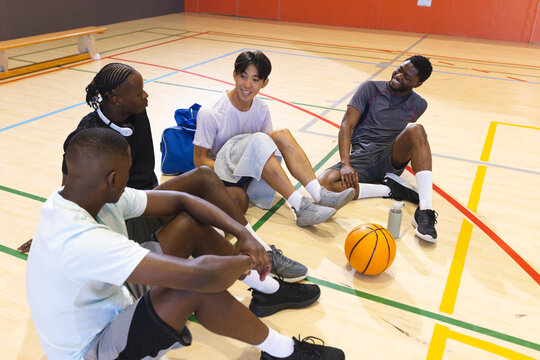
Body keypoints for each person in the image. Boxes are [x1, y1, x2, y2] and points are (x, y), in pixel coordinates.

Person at [26, 128, 346, 360]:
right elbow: (199, 276)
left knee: (187, 227)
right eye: (125, 174)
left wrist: (244, 233)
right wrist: (247, 260)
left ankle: (268, 292)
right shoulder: (78, 240)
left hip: (113, 294)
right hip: (91, 350)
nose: (130, 180)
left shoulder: (79, 197)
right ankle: (283, 352)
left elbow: (181, 197)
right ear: (112, 179)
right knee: (191, 286)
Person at [17, 62, 307, 282]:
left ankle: (245, 247)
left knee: (235, 199)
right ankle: (258, 257)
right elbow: (68, 192)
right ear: (116, 100)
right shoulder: (86, 138)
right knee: (201, 197)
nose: (146, 95)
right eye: (138, 91)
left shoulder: (136, 111)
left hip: (149, 198)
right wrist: (47, 233)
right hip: (123, 215)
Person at [193, 50, 356, 227]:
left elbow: (266, 147)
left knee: (280, 134)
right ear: (234, 75)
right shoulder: (211, 112)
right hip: (225, 175)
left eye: (255, 79)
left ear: (264, 83)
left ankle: (318, 193)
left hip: (250, 174)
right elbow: (199, 160)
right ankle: (301, 206)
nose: (247, 84)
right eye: (243, 76)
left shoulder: (261, 109)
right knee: (260, 140)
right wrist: (239, 167)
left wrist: (253, 161)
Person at [318, 55, 438, 242]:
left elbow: (409, 136)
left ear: (418, 83)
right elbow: (346, 126)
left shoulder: (419, 105)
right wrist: (346, 164)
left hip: (392, 156)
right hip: (363, 156)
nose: (398, 76)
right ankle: (389, 189)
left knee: (416, 130)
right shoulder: (370, 89)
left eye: (407, 77)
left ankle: (425, 210)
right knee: (324, 184)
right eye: (399, 69)